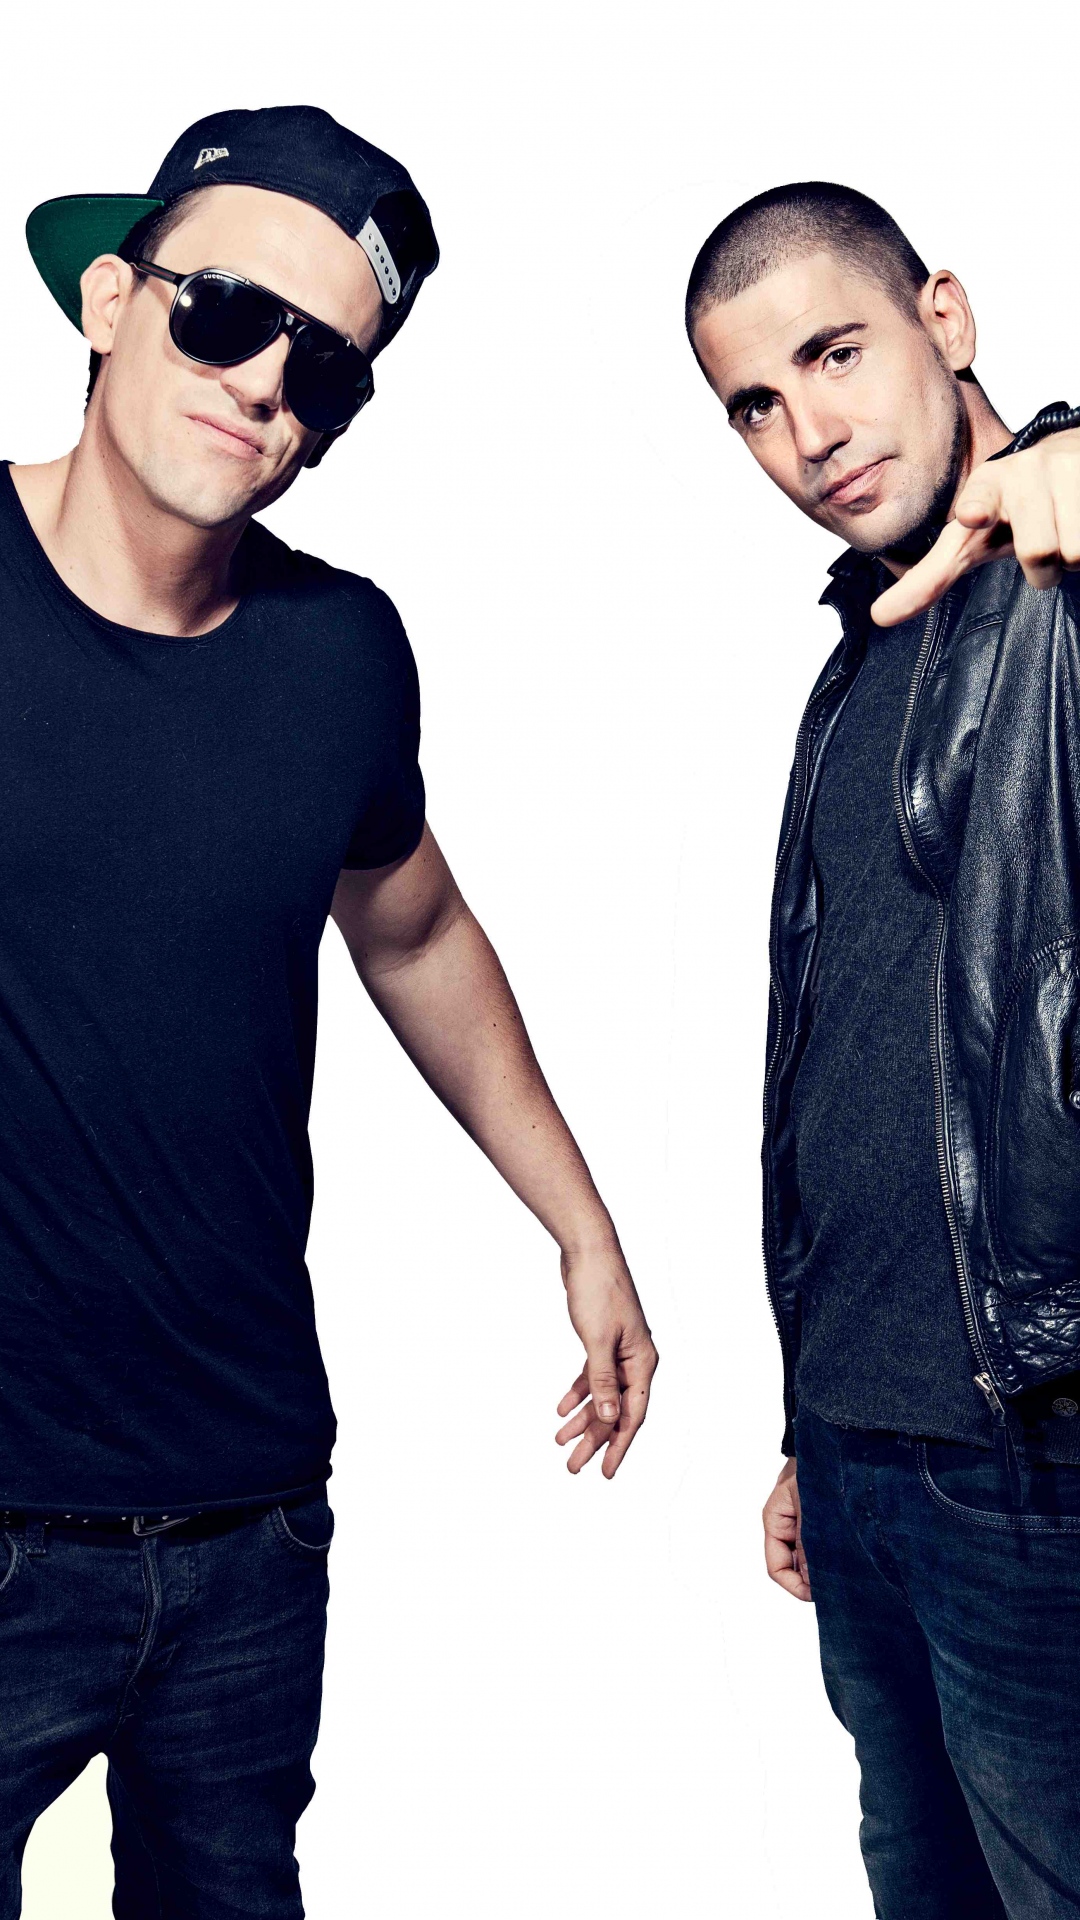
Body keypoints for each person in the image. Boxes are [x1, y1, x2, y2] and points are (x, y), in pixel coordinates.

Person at [0, 104, 657, 1917]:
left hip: (249, 1523)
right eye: (225, 314)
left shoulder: (340, 652)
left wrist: (583, 1228)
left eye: (325, 370)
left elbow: (417, 929)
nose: (263, 385)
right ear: (112, 299)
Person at [686, 180, 1080, 1918]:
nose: (809, 433)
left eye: (836, 355)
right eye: (755, 405)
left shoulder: (1064, 589)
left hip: (1038, 1453)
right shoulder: (858, 663)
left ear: (947, 316)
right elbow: (855, 1061)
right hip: (865, 1453)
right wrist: (812, 1421)